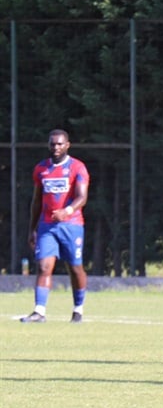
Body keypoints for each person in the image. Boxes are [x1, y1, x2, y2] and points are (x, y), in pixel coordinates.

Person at [21, 129, 90, 323]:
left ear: (68, 145)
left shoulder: (77, 167)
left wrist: (66, 211)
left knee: (75, 268)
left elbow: (82, 197)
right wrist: (32, 229)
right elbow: (36, 201)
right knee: (44, 266)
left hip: (72, 225)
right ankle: (39, 311)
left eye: (60, 144)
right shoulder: (41, 169)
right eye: (52, 144)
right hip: (47, 226)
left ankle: (78, 309)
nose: (56, 147)